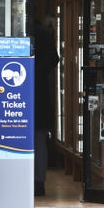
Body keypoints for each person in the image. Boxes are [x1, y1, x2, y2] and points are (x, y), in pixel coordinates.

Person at [33, 21, 59, 196]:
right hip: (39, 92)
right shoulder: (40, 32)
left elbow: (53, 58)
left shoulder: (38, 32)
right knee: (38, 139)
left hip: (37, 94)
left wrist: (34, 71)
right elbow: (54, 58)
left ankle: (37, 181)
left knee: (37, 138)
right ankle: (38, 182)